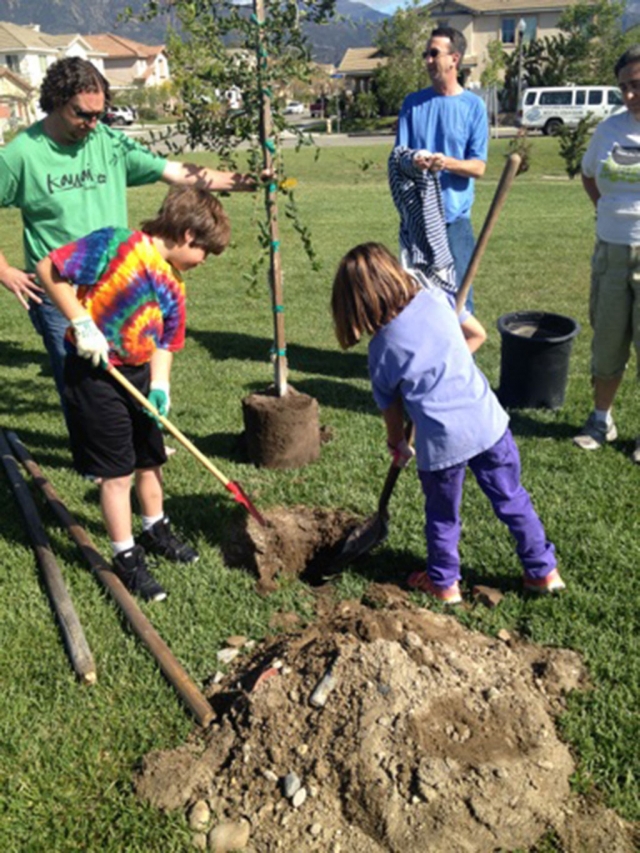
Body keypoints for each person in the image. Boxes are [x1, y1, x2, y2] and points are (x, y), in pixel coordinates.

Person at [0, 56, 263, 409]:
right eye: (83, 114)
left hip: (119, 284)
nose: (93, 124)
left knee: (128, 371)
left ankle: (134, 448)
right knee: (81, 385)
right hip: (60, 287)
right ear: (57, 101)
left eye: (99, 115)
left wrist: (245, 182)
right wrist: (4, 271)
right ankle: (100, 461)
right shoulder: (21, 154)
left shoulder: (107, 141)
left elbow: (174, 171)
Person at [331, 243, 564, 604]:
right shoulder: (437, 298)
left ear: (356, 303)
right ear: (395, 272)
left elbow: (392, 412)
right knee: (512, 499)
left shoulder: (381, 351)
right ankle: (542, 571)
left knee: (442, 516)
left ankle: (444, 583)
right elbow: (477, 335)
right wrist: (444, 361)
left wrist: (398, 444)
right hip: (489, 425)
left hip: (442, 443)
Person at [36, 186, 231, 602]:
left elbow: (166, 342)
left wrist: (160, 385)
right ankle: (125, 556)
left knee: (150, 458)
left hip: (139, 374)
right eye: (205, 253)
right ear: (188, 236)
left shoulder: (174, 284)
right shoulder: (115, 244)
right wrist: (82, 323)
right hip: (94, 376)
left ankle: (155, 527)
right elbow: (48, 269)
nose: (204, 262)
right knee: (117, 471)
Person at [574, 45, 640, 463]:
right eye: (623, 87)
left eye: (636, 85)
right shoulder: (608, 130)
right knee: (608, 341)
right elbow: (588, 175)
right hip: (611, 252)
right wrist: (606, 211)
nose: (630, 95)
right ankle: (602, 421)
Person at [394, 26, 488, 313]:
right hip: (417, 221)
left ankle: (460, 356)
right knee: (416, 299)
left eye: (434, 53)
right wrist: (415, 160)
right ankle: (423, 358)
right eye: (426, 54)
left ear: (454, 59)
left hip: (455, 222)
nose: (428, 60)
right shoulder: (413, 104)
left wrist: (445, 162)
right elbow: (399, 156)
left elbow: (478, 166)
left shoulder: (474, 107)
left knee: (459, 301)